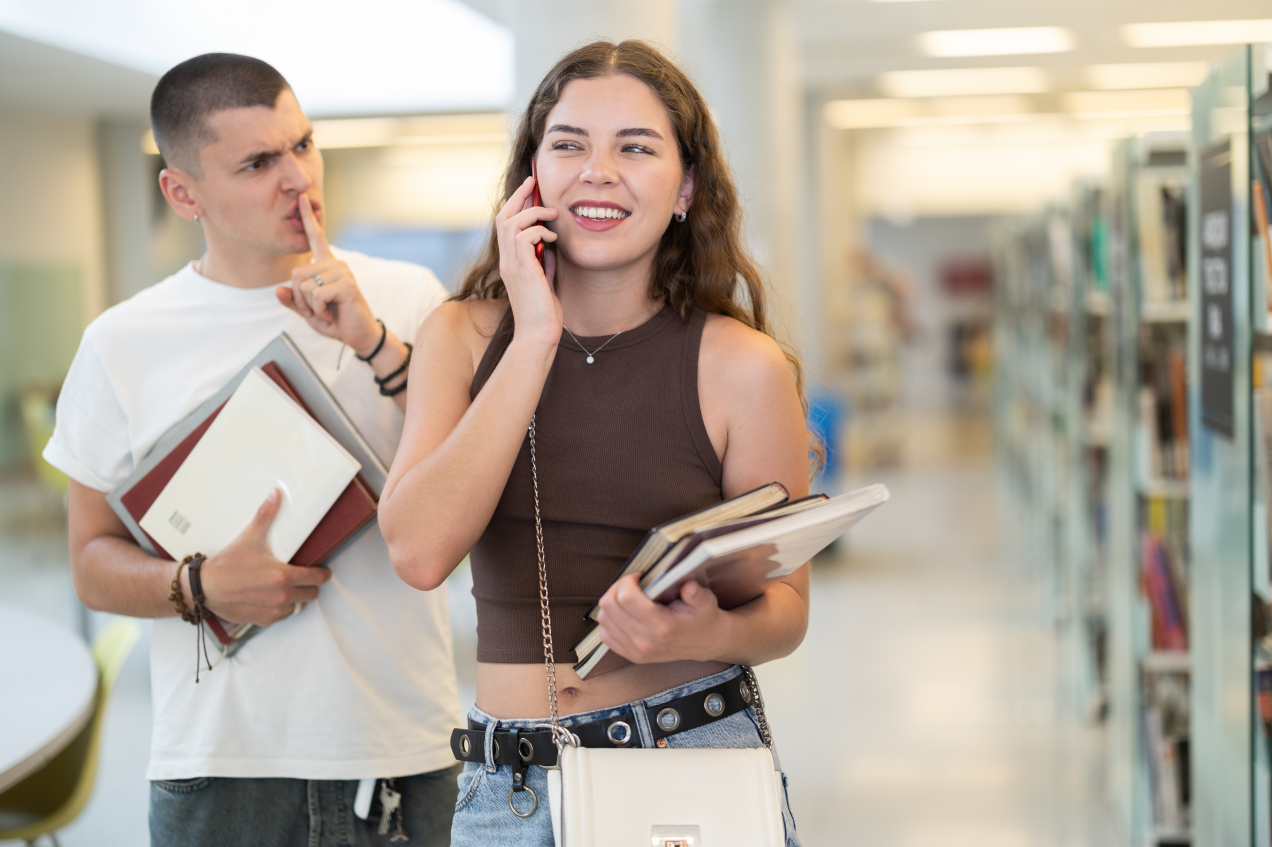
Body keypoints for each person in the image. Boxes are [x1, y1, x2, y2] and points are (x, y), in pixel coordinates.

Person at [379, 40, 809, 847]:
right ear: (531, 177)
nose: (597, 171)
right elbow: (418, 552)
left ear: (685, 188)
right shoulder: (462, 337)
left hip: (688, 759)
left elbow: (786, 610)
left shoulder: (741, 366)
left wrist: (703, 632)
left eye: (636, 147)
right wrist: (534, 332)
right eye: (568, 144)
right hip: (505, 784)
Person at [44, 53, 462, 847]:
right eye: (259, 162)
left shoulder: (410, 299)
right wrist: (199, 585)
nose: (298, 179)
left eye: (303, 146)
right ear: (182, 192)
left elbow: (477, 491)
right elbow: (89, 561)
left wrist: (376, 343)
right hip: (220, 766)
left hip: (402, 749)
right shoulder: (122, 343)